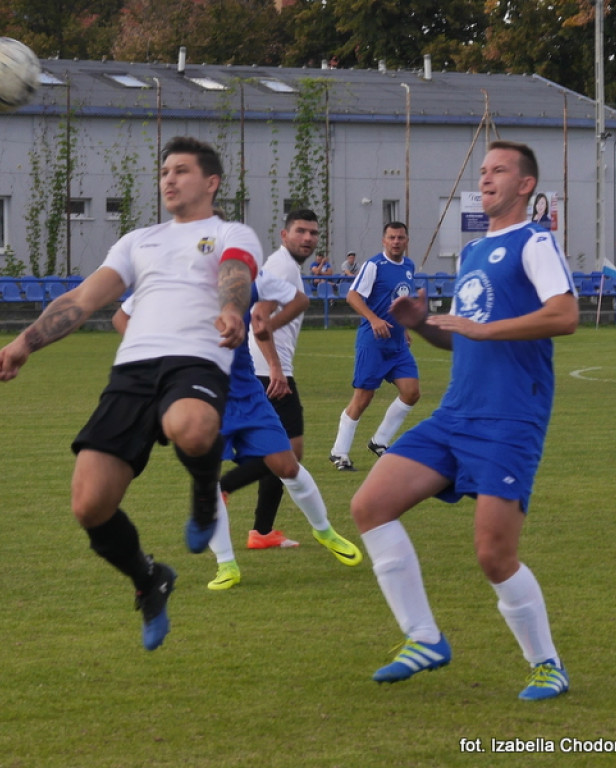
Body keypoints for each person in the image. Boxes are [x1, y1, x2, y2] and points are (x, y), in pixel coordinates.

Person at [0, 136, 261, 651]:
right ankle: (149, 577)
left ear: (211, 182)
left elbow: (236, 272)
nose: (169, 180)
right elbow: (84, 298)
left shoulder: (230, 231)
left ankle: (206, 493)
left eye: (181, 170)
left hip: (195, 359)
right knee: (89, 505)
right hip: (132, 370)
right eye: (164, 173)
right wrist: (25, 342)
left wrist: (230, 309)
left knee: (193, 427)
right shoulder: (139, 241)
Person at [350, 141, 578, 700]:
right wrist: (424, 324)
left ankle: (546, 664)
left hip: (509, 417)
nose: (486, 178)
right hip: (456, 413)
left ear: (525, 185)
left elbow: (564, 315)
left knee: (494, 555)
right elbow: (463, 337)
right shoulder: (475, 253)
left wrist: (481, 329)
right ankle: (424, 637)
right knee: (369, 506)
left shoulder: (535, 241)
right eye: (483, 171)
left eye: (499, 170)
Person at [115, 267, 363, 590]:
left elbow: (297, 300)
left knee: (287, 465)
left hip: (247, 395)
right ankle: (226, 565)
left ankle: (324, 531)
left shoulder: (245, 281)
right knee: (208, 481)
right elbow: (122, 317)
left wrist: (270, 345)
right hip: (201, 400)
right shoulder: (169, 280)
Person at [220, 209, 322, 549]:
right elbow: (259, 316)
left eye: (313, 233)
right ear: (284, 235)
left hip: (271, 369)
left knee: (288, 454)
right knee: (288, 454)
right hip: (268, 372)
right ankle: (225, 487)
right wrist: (276, 368)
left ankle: (261, 532)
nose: (308, 238)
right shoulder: (280, 266)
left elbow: (264, 320)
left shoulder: (288, 268)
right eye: (301, 231)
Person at [329, 221, 420, 471]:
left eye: (401, 237)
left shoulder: (410, 267)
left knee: (411, 391)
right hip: (374, 342)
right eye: (391, 237)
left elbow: (401, 301)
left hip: (398, 344)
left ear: (407, 240)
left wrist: (406, 328)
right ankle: (339, 452)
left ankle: (379, 441)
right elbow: (352, 296)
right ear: (384, 240)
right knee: (363, 396)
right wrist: (374, 319)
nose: (396, 241)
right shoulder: (374, 265)